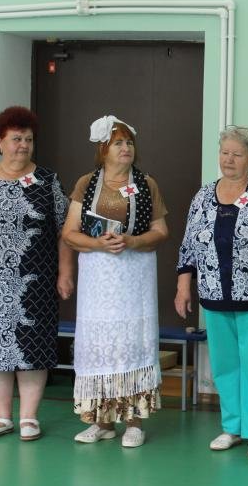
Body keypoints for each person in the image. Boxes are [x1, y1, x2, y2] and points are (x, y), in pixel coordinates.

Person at [0, 106, 74, 441]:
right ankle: (2, 416)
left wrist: (65, 272)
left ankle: (29, 417)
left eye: (29, 139)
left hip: (35, 281)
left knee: (33, 346)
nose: (23, 145)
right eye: (16, 139)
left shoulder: (47, 181)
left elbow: (65, 230)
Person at [175, 126, 248, 460]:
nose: (229, 159)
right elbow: (189, 244)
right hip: (213, 295)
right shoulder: (203, 196)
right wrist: (183, 286)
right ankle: (232, 428)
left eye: (237, 154)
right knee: (224, 365)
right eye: (225, 152)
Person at [61, 115, 169, 448]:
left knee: (130, 344)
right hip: (98, 280)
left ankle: (133, 421)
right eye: (118, 143)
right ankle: (102, 421)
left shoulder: (147, 183)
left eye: (129, 142)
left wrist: (133, 241)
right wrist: (97, 244)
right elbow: (69, 233)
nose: (126, 148)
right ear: (103, 149)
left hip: (134, 278)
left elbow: (161, 231)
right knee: (99, 346)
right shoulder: (86, 183)